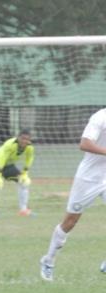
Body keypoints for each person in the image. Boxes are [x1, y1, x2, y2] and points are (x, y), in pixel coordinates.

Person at [39, 108, 106, 281]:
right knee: (70, 221)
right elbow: (84, 144)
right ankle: (48, 260)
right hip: (88, 178)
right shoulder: (100, 117)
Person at [0, 129, 34, 217]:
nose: (24, 141)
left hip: (8, 165)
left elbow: (29, 159)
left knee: (24, 183)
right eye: (23, 138)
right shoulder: (10, 144)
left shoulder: (30, 147)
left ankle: (23, 210)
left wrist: (25, 173)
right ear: (18, 137)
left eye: (27, 139)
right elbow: (2, 158)